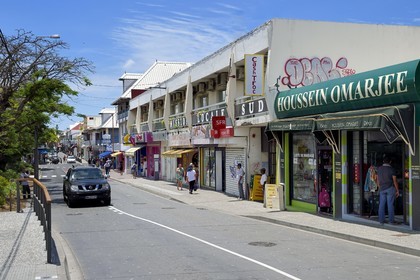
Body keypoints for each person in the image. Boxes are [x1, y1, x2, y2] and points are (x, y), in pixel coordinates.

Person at [375, 156, 399, 225]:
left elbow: (377, 179)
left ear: (383, 161)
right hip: (390, 188)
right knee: (390, 204)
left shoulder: (379, 169)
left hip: (382, 188)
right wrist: (397, 190)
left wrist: (379, 187)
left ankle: (381, 220)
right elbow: (395, 181)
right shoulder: (392, 169)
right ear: (390, 162)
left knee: (381, 204)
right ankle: (391, 221)